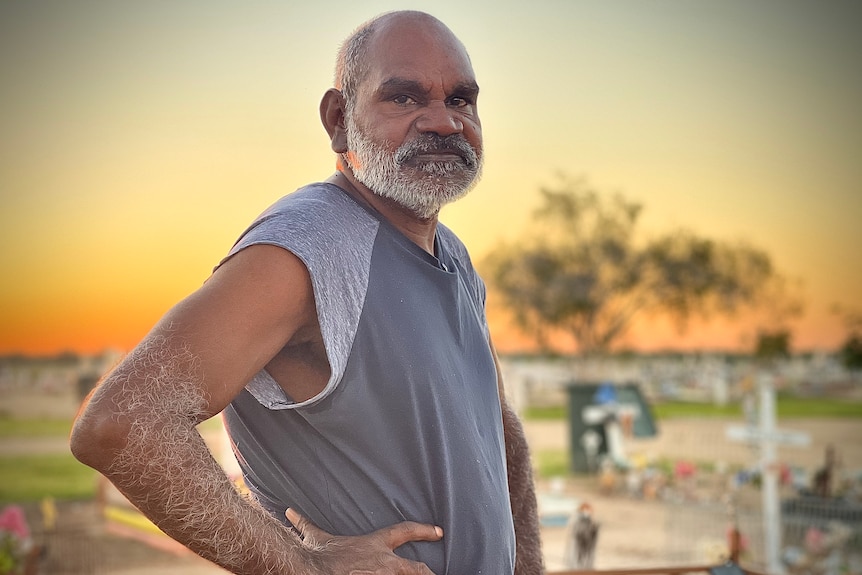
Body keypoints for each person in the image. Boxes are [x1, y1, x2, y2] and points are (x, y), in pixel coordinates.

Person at [71, 10, 543, 575]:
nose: (443, 122)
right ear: (339, 119)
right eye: (405, 99)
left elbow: (499, 430)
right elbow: (123, 423)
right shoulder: (307, 245)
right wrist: (303, 566)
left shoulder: (454, 258)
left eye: (461, 100)